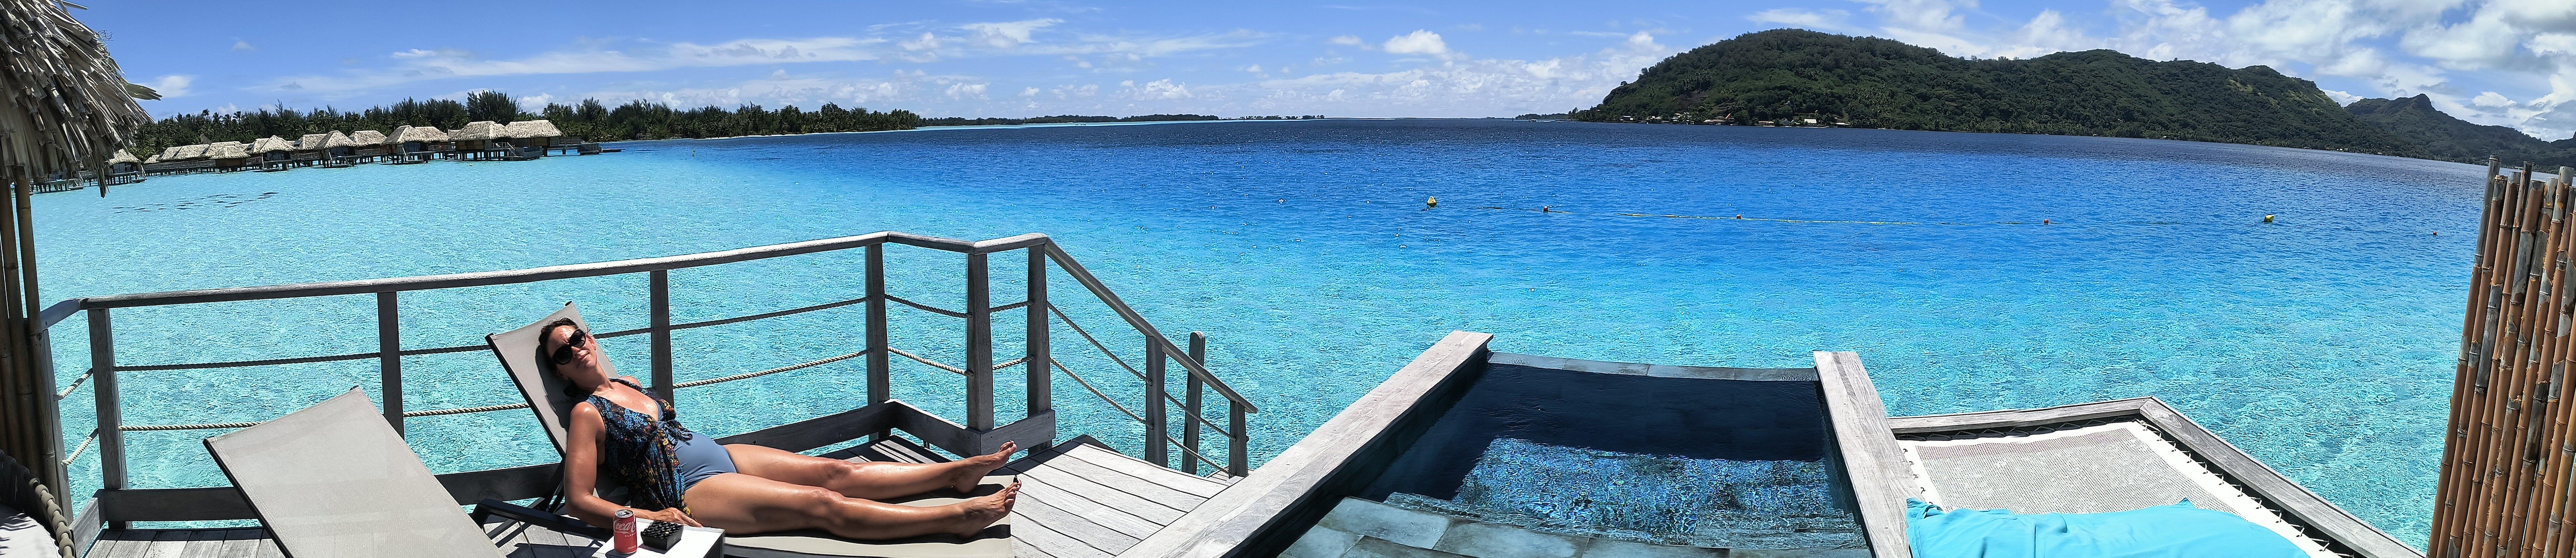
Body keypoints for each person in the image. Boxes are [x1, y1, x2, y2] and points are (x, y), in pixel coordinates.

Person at [535, 318, 1018, 538]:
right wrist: (650, 516)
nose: (575, 348)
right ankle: (955, 516)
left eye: (577, 337)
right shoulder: (586, 414)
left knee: (836, 472)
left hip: (720, 453)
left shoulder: (629, 381)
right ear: (559, 372)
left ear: (591, 337)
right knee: (822, 504)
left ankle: (956, 472)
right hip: (690, 489)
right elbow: (580, 501)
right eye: (563, 352)